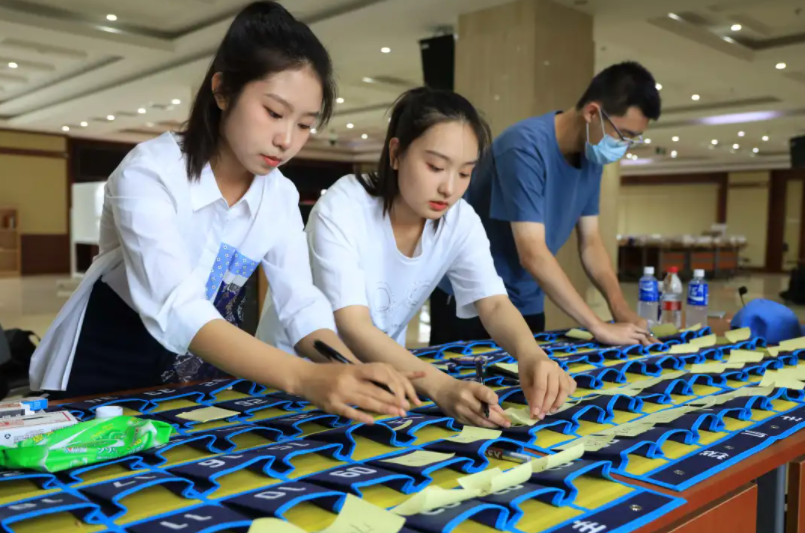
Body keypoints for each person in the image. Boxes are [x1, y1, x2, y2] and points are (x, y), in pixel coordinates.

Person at [29, 1, 420, 425]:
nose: (286, 139)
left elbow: (300, 304)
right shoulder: (151, 172)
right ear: (222, 91)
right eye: (273, 112)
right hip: (101, 369)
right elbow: (175, 305)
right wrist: (306, 378)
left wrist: (346, 367)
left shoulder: (280, 196)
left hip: (195, 380)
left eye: (305, 125)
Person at [259, 88, 576, 427]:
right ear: (396, 153)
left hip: (383, 379)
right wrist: (441, 386)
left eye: (465, 173)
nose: (449, 188)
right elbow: (353, 326)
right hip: (289, 380)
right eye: (435, 166)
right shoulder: (344, 207)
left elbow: (494, 304)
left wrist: (531, 355)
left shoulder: (460, 220)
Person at [430, 61, 661, 347]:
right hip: (471, 298)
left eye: (633, 139)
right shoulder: (524, 147)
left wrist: (619, 309)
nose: (625, 146)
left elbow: (591, 242)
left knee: (532, 385)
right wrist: (596, 325)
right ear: (592, 113)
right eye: (623, 135)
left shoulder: (592, 158)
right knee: (470, 386)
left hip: (526, 298)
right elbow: (532, 252)